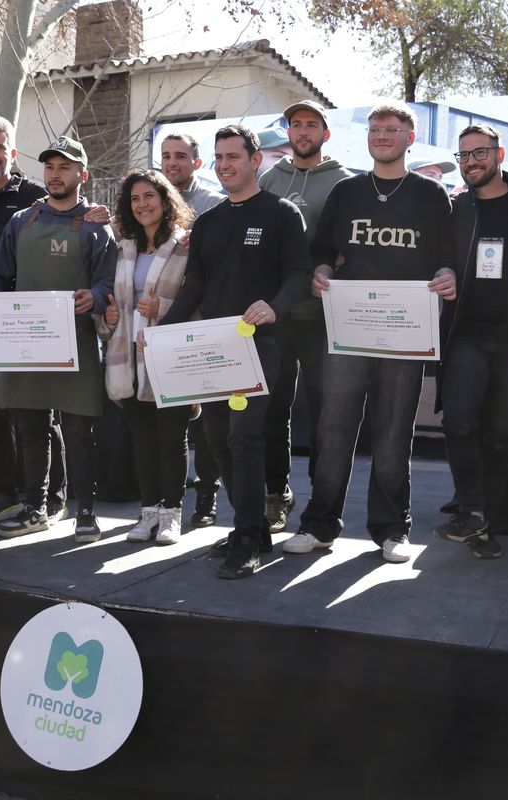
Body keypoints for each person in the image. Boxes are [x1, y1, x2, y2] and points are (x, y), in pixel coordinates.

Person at [282, 101, 457, 564]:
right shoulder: (347, 191)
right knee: (334, 427)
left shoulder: (431, 195)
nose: (382, 135)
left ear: (409, 138)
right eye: (376, 128)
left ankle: (391, 529)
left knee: (395, 428)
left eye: (392, 128)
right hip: (348, 328)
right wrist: (320, 272)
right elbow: (323, 249)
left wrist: (445, 273)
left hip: (406, 329)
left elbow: (447, 255)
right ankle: (319, 524)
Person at [151, 124, 310, 579]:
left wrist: (275, 306)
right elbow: (194, 285)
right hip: (216, 347)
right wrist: (163, 330)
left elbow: (298, 274)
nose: (224, 166)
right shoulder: (209, 222)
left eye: (233, 157)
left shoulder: (281, 214)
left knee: (245, 438)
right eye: (219, 158)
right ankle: (254, 525)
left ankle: (246, 538)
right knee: (218, 440)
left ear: (255, 160)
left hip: (260, 346)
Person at [0, 136, 116, 542]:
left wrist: (96, 297)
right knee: (30, 428)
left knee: (81, 432)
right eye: (50, 167)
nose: (55, 174)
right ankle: (35, 507)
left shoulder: (98, 226)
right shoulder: (22, 221)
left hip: (77, 343)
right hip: (26, 342)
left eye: (64, 167)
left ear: (82, 175)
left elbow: (108, 281)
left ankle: (85, 511)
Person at [433, 124, 508, 559]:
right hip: (466, 333)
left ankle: (483, 522)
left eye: (479, 152)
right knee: (459, 422)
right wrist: (445, 271)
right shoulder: (455, 209)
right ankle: (472, 508)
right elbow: (442, 256)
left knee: (501, 435)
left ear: (499, 154)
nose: (471, 162)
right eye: (464, 155)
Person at [257, 99, 354, 533]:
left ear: (325, 133)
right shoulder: (269, 178)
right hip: (276, 315)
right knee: (273, 412)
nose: (302, 132)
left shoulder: (344, 182)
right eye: (295, 124)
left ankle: (321, 500)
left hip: (322, 317)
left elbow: (352, 246)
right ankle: (276, 494)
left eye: (311, 125)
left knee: (323, 411)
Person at [0, 115, 59, 523]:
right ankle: (0, 491)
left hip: (30, 324)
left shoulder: (37, 197)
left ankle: (51, 494)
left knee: (39, 412)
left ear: (12, 153)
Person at [99, 170, 195, 545]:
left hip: (169, 356)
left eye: (149, 196)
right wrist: (106, 319)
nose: (142, 204)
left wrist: (163, 306)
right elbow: (114, 304)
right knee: (142, 441)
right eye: (135, 199)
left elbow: (198, 300)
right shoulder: (123, 248)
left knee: (171, 439)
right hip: (128, 356)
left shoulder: (187, 245)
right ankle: (148, 512)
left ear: (165, 199)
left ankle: (171, 514)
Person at [160, 131, 225, 527]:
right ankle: (169, 501)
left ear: (196, 163)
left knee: (208, 422)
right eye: (166, 156)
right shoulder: (148, 200)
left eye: (180, 156)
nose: (172, 163)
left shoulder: (215, 205)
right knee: (172, 418)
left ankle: (206, 497)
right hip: (162, 321)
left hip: (205, 323)